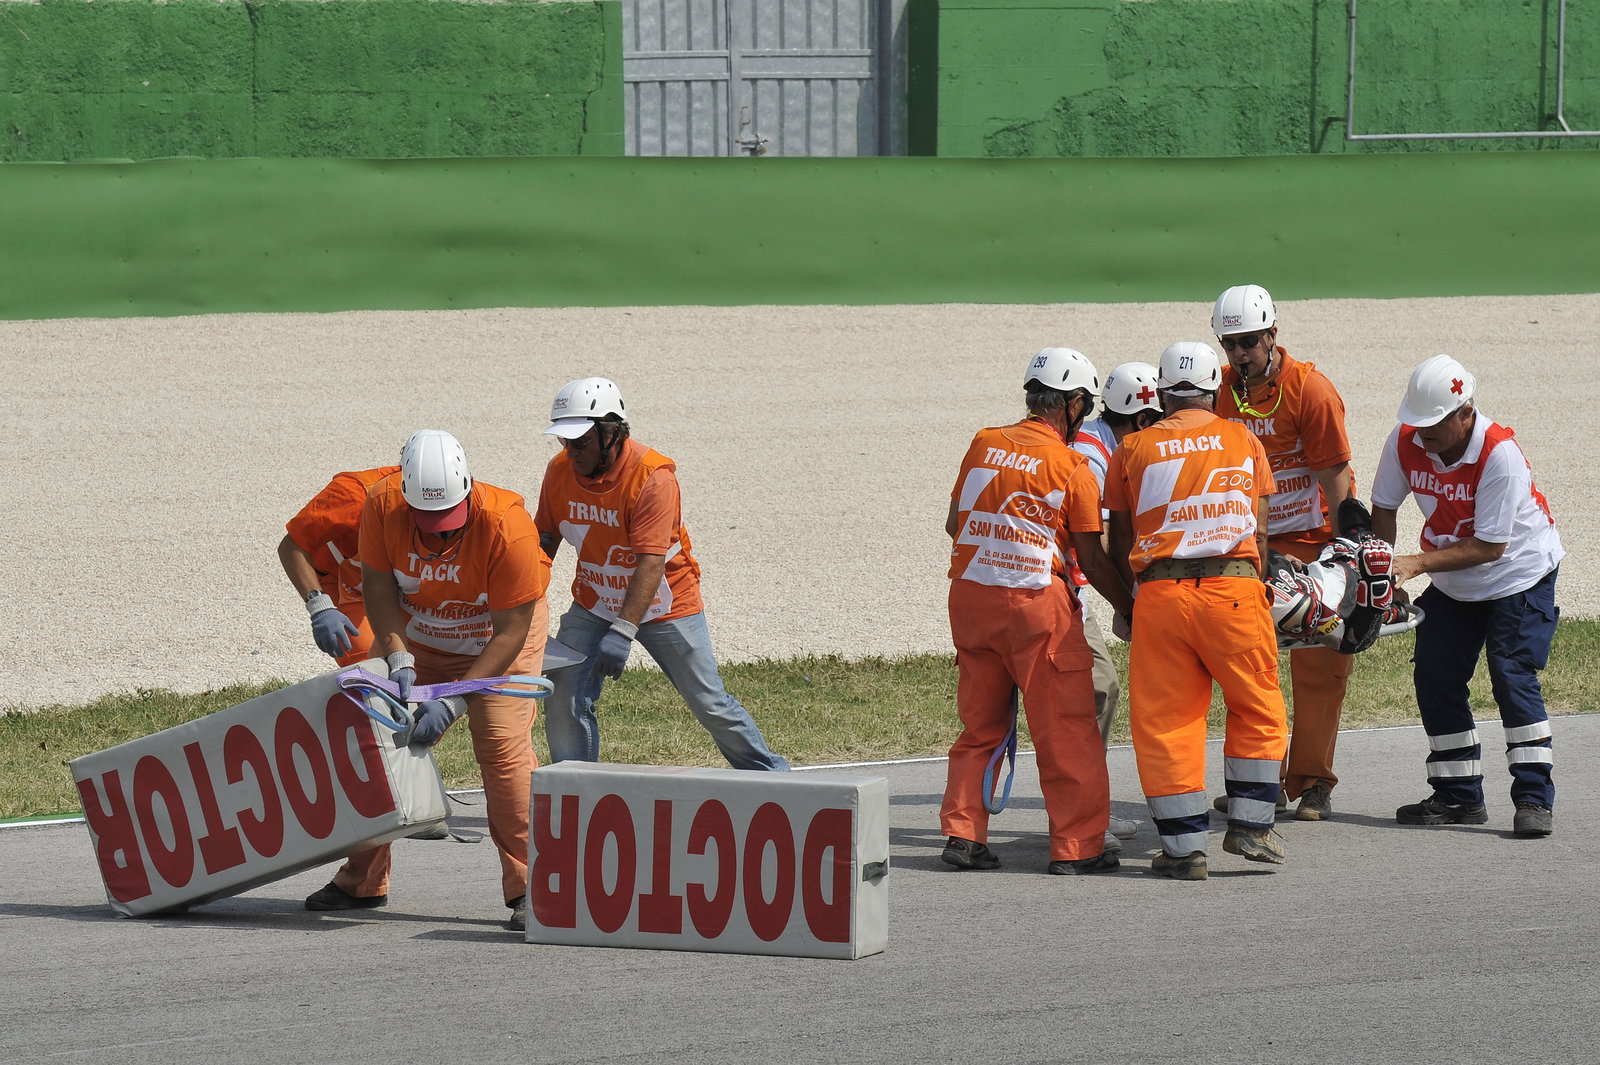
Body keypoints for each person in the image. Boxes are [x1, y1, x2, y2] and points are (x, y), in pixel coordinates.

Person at [303, 430, 551, 931]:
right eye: (429, 523)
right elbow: (377, 586)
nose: (440, 535)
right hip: (422, 637)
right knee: (372, 743)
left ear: (467, 489)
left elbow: (510, 634)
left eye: (450, 524)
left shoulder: (510, 527)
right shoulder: (382, 504)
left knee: (502, 754)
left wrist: (455, 700)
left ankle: (533, 887)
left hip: (497, 643)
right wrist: (397, 658)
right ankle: (363, 880)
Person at [941, 347, 1136, 876]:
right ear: (1071, 404)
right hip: (1035, 607)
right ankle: (1078, 847)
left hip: (971, 599)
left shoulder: (984, 443)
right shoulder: (1072, 466)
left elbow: (954, 524)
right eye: (1084, 405)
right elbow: (1092, 558)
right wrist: (1128, 606)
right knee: (1066, 727)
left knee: (980, 726)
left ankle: (963, 834)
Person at [534, 377, 788, 772]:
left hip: (665, 605)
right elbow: (545, 538)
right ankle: (576, 794)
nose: (571, 452)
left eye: (581, 441)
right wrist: (522, 596)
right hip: (595, 601)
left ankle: (774, 779)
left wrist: (622, 632)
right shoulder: (559, 471)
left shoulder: (653, 477)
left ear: (612, 431)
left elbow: (650, 563)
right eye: (565, 442)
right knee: (564, 694)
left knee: (708, 702)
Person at [1104, 341, 1288, 881]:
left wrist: (1130, 600)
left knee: (1167, 724)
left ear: (1161, 391)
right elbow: (1260, 527)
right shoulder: (1242, 438)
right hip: (1233, 591)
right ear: (1214, 389)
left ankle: (1185, 851)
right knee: (1255, 702)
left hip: (1160, 596)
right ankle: (1252, 826)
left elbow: (1120, 542)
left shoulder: (1134, 447)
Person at [1371, 355, 1562, 838]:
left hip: (1518, 574)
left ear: (1464, 413)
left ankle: (1535, 798)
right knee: (1435, 675)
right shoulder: (1404, 440)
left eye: (1433, 423)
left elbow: (1490, 547)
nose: (1422, 433)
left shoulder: (1500, 454)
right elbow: (1384, 507)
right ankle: (1458, 797)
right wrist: (1379, 566)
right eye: (1416, 422)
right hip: (1457, 580)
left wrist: (1413, 564)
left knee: (1511, 672)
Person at [1211, 284, 1355, 823]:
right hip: (1247, 547)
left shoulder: (1310, 390)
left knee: (1321, 668)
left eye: (1248, 341)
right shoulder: (1219, 391)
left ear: (1273, 334)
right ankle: (1260, 780)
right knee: (1249, 665)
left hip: (1312, 541)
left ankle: (1313, 782)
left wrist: (1349, 558)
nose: (1239, 354)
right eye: (1230, 344)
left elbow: (1337, 482)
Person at [1069, 361, 1165, 849]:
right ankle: (1084, 818)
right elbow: (1101, 540)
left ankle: (1086, 811)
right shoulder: (1097, 454)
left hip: (1060, 587)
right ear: (1144, 420)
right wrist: (1131, 603)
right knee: (1098, 691)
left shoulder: (1095, 439)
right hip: (1062, 590)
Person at [278, 465, 400, 665]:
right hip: (345, 583)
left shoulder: (465, 500)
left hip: (397, 581)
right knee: (368, 665)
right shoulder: (354, 494)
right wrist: (320, 607)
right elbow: (292, 546)